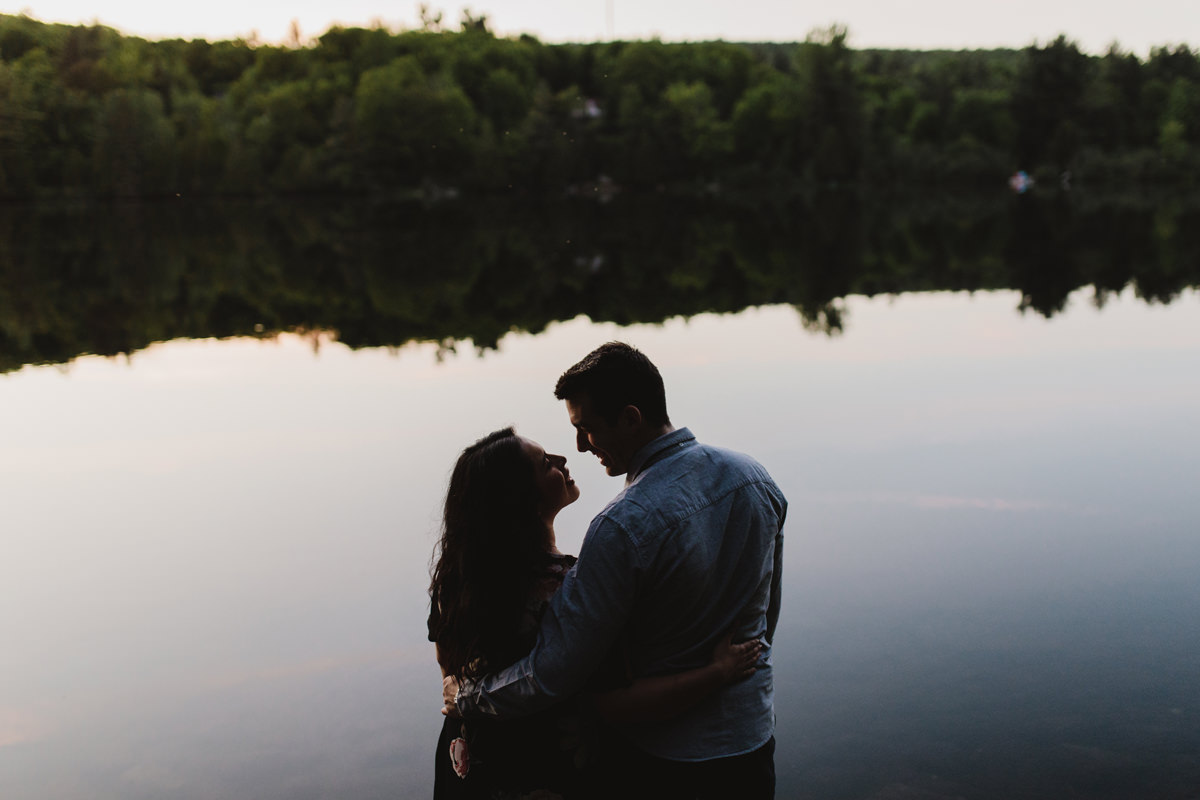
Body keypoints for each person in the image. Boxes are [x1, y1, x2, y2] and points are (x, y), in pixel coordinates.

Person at [446, 342, 787, 798]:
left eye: (586, 429)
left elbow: (555, 670)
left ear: (630, 418)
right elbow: (767, 615)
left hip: (665, 757)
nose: (580, 447)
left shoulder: (622, 526)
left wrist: (469, 697)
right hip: (751, 741)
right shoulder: (755, 478)